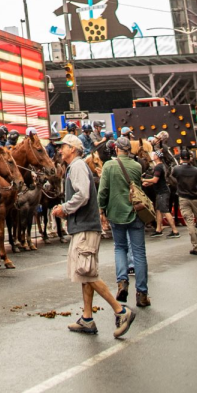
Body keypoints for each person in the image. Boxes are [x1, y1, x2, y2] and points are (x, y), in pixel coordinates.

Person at [52, 134, 135, 337]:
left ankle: (121, 311)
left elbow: (83, 195)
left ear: (72, 149)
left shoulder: (77, 166)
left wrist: (64, 208)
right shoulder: (76, 167)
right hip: (84, 226)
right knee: (85, 273)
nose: (60, 150)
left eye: (63, 146)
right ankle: (87, 318)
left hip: (85, 228)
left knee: (87, 273)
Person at [98, 136, 150, 308]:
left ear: (116, 149)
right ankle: (142, 293)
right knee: (139, 252)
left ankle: (122, 283)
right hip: (135, 212)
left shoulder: (108, 166)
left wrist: (101, 209)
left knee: (120, 248)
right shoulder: (136, 166)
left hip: (116, 212)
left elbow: (103, 190)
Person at [171, 149, 197, 256]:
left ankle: (196, 247)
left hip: (183, 198)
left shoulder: (177, 169)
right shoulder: (196, 170)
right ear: (189, 158)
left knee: (190, 223)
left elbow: (172, 177)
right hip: (195, 198)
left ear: (181, 158)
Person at [142, 150, 179, 237]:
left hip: (162, 192)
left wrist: (143, 179)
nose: (153, 156)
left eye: (154, 155)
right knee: (158, 210)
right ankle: (158, 229)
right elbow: (159, 180)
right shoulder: (162, 166)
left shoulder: (158, 167)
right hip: (161, 191)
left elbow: (155, 180)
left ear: (157, 157)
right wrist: (148, 183)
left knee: (165, 210)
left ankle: (175, 230)